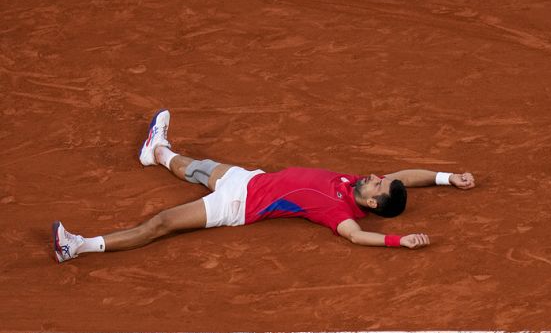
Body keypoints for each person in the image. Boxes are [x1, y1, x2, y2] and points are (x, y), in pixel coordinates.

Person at [52, 110, 476, 263]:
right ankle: (156, 151)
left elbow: (359, 237)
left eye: (378, 184)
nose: (376, 176)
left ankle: (79, 247)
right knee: (191, 168)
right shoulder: (357, 185)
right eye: (381, 178)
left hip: (237, 206)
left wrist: (398, 242)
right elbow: (407, 177)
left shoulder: (340, 212)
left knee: (161, 223)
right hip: (249, 179)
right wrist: (447, 178)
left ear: (372, 203)